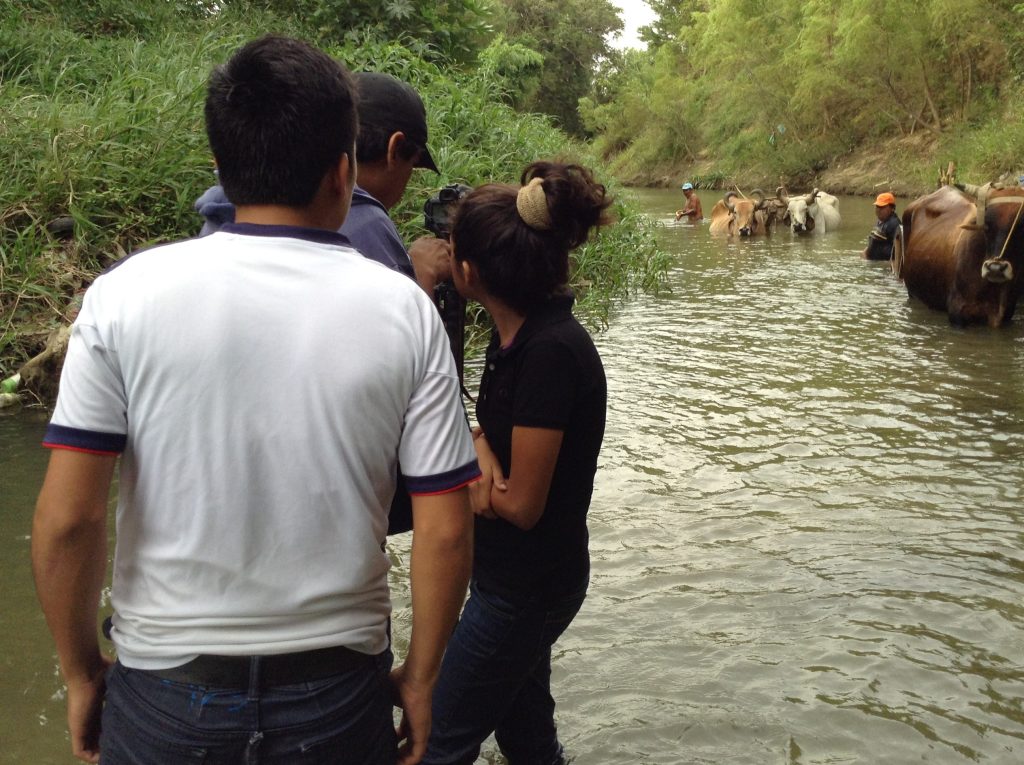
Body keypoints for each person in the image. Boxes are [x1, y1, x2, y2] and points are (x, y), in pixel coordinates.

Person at [32, 35, 477, 765]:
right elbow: (446, 531)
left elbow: (67, 519)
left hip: (164, 694)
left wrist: (81, 673)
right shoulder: (405, 311)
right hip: (336, 696)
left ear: (220, 166)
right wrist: (422, 678)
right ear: (344, 171)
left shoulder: (121, 298)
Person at [422, 161, 610, 765]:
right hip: (522, 579)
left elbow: (521, 505)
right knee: (524, 737)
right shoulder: (520, 340)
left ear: (468, 271)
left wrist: (475, 465)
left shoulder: (549, 354)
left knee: (440, 739)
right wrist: (480, 441)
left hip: (524, 589)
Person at [195, 71, 451, 296]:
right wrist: (421, 273)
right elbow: (398, 341)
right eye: (413, 164)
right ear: (394, 150)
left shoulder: (221, 208)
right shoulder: (368, 222)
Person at [863, 191, 900, 260]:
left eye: (882, 207)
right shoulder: (881, 221)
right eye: (877, 206)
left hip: (883, 265)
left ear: (892, 208)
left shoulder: (894, 224)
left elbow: (898, 251)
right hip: (873, 263)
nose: (878, 210)